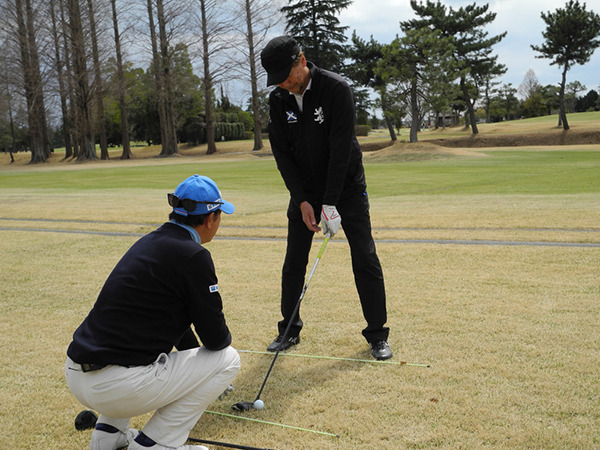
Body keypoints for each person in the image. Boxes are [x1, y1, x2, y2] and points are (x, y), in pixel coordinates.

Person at [65, 174, 241, 450]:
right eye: (220, 216)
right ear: (210, 219)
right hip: (117, 386)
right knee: (228, 359)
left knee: (132, 352)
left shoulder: (150, 242)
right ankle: (156, 444)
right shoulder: (194, 256)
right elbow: (217, 340)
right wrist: (204, 376)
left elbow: (173, 318)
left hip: (76, 375)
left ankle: (108, 435)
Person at [260, 36, 393, 361]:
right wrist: (302, 200)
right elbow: (281, 153)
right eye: (276, 78)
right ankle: (288, 331)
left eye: (286, 75)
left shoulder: (336, 89)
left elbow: (340, 152)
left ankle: (377, 335)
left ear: (301, 61)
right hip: (305, 192)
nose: (283, 83)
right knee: (294, 263)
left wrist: (330, 203)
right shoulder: (279, 99)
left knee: (364, 256)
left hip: (345, 188)